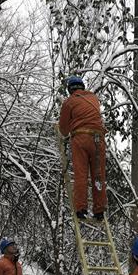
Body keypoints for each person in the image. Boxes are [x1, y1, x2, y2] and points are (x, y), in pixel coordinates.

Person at [59, 76, 107, 221]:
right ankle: (99, 210)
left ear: (70, 89)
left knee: (81, 175)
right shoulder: (93, 98)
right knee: (98, 176)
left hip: (81, 138)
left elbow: (63, 130)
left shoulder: (69, 102)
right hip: (98, 139)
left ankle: (81, 209)